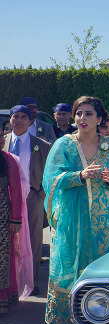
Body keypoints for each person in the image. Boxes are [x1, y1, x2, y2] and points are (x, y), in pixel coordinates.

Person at [42, 96, 109, 324]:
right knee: (65, 275)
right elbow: (50, 180)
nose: (82, 118)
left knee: (101, 279)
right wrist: (79, 176)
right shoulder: (64, 145)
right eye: (79, 113)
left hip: (103, 223)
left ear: (100, 119)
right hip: (71, 222)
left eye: (89, 114)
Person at [3, 105, 51, 281]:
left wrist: (41, 195)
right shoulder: (3, 141)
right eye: (15, 116)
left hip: (32, 196)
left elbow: (49, 172)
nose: (19, 120)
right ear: (10, 119)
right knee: (6, 238)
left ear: (30, 121)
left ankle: (31, 279)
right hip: (5, 197)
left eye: (24, 117)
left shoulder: (42, 145)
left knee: (33, 239)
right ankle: (9, 280)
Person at [0, 144, 22, 314]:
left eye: (1, 135)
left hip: (2, 217)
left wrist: (15, 218)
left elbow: (15, 191)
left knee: (2, 257)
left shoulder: (8, 159)